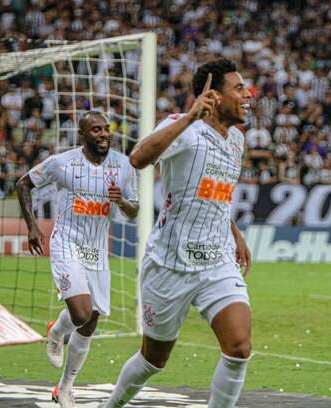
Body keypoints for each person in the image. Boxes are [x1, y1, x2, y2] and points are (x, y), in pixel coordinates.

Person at [101, 58, 253, 408]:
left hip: (216, 262)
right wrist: (189, 117)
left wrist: (235, 234)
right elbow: (137, 158)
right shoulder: (183, 128)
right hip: (169, 264)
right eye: (239, 89)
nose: (247, 96)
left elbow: (216, 195)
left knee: (239, 347)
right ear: (213, 96)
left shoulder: (236, 142)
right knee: (153, 360)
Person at [17, 111, 139, 407]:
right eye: (96, 130)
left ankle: (65, 388)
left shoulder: (123, 166)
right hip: (66, 243)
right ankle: (57, 331)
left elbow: (134, 209)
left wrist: (120, 201)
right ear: (83, 135)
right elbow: (23, 183)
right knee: (81, 313)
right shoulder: (63, 163)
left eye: (106, 129)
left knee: (90, 322)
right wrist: (32, 225)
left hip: (97, 251)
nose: (103, 134)